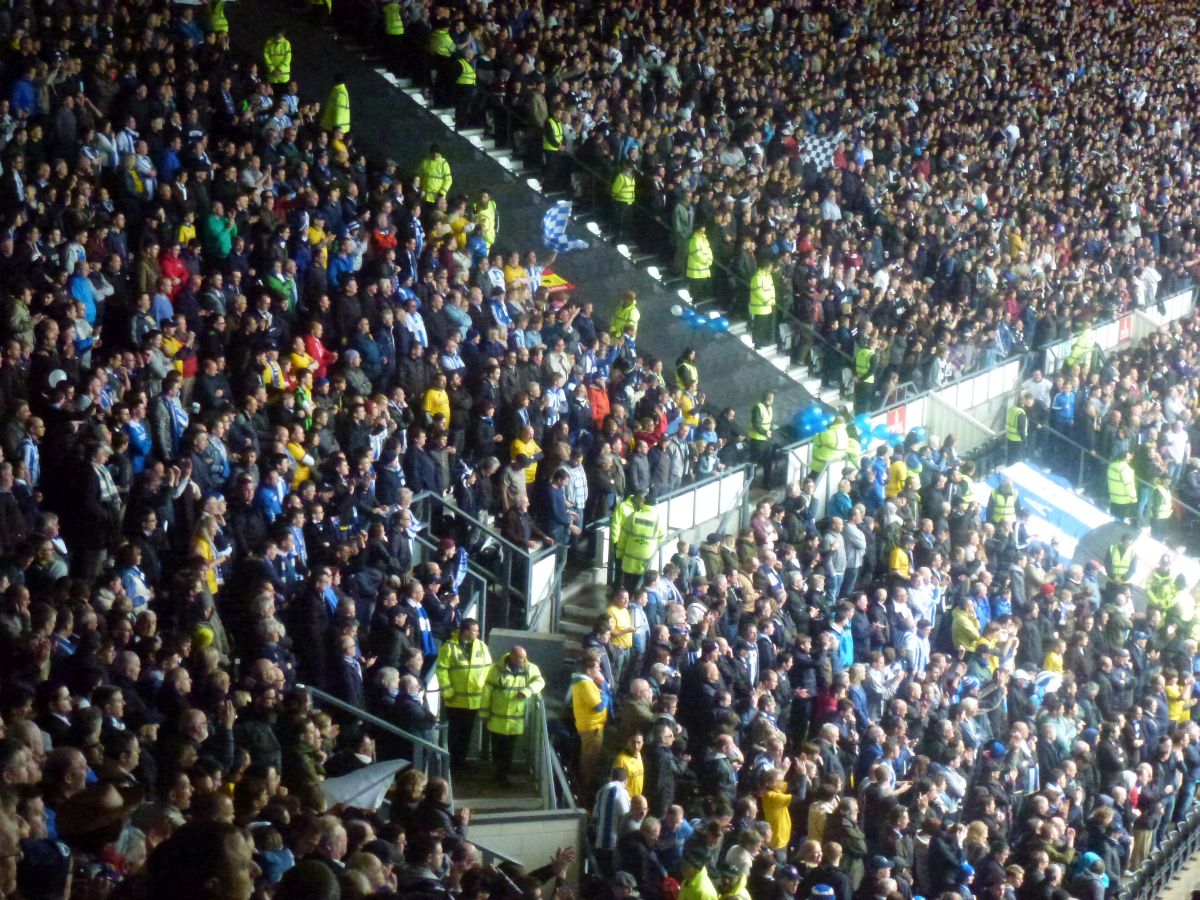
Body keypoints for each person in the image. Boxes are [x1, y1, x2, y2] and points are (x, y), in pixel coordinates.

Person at [479, 645, 545, 785]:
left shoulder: (530, 668)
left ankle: (503, 776)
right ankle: (498, 774)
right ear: (512, 656)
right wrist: (484, 713)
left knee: (509, 750)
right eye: (521, 658)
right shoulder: (497, 669)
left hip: (515, 721)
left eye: (524, 657)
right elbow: (486, 692)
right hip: (497, 719)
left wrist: (527, 691)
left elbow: (540, 682)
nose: (523, 660)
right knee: (497, 749)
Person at [435, 618, 492, 767]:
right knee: (454, 734)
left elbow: (488, 670)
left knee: (467, 734)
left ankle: (461, 762)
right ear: (465, 631)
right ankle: (452, 763)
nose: (478, 632)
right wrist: (447, 692)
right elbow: (441, 671)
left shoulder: (482, 646)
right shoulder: (449, 647)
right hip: (454, 701)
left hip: (474, 701)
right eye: (475, 630)